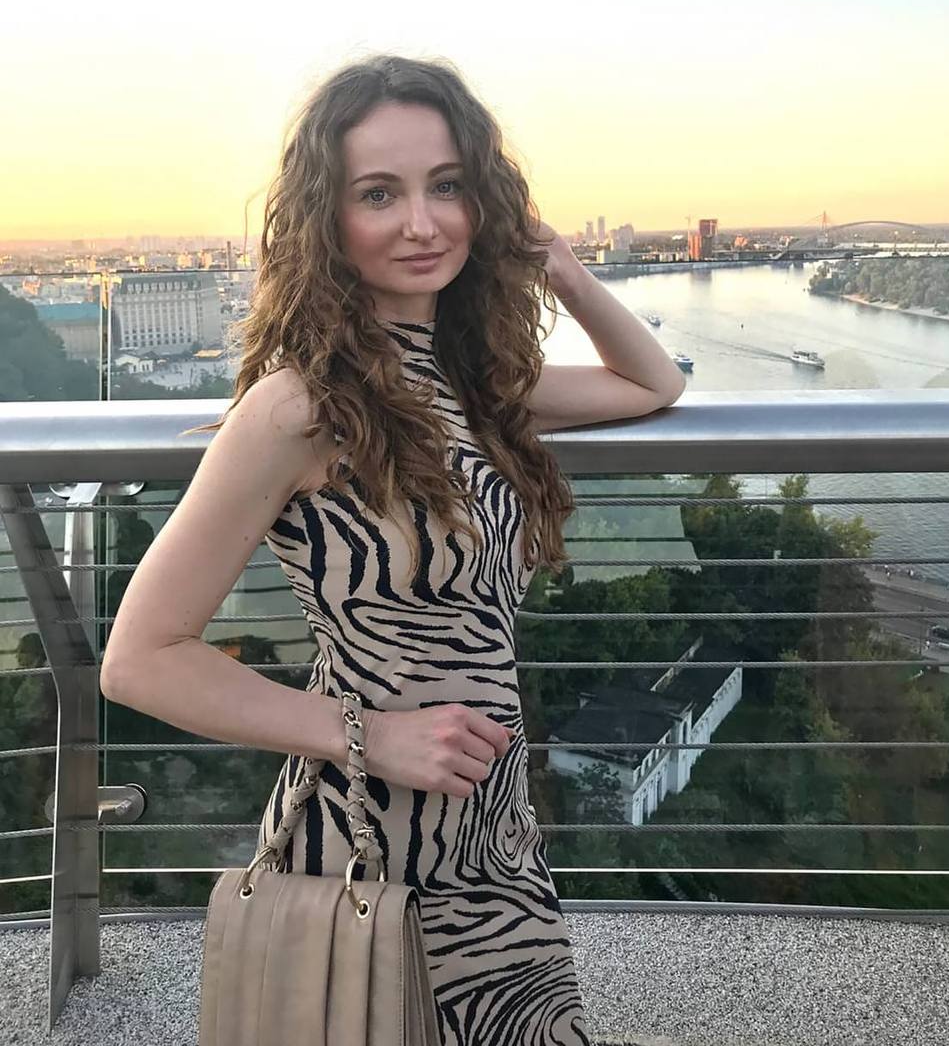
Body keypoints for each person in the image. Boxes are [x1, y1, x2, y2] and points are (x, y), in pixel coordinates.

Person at [100, 53, 685, 1044]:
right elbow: (139, 659)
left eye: (447, 186)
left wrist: (559, 264)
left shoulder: (468, 379)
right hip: (370, 837)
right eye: (379, 194)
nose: (422, 222)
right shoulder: (298, 407)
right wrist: (370, 733)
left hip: (488, 828)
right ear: (326, 218)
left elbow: (651, 383)